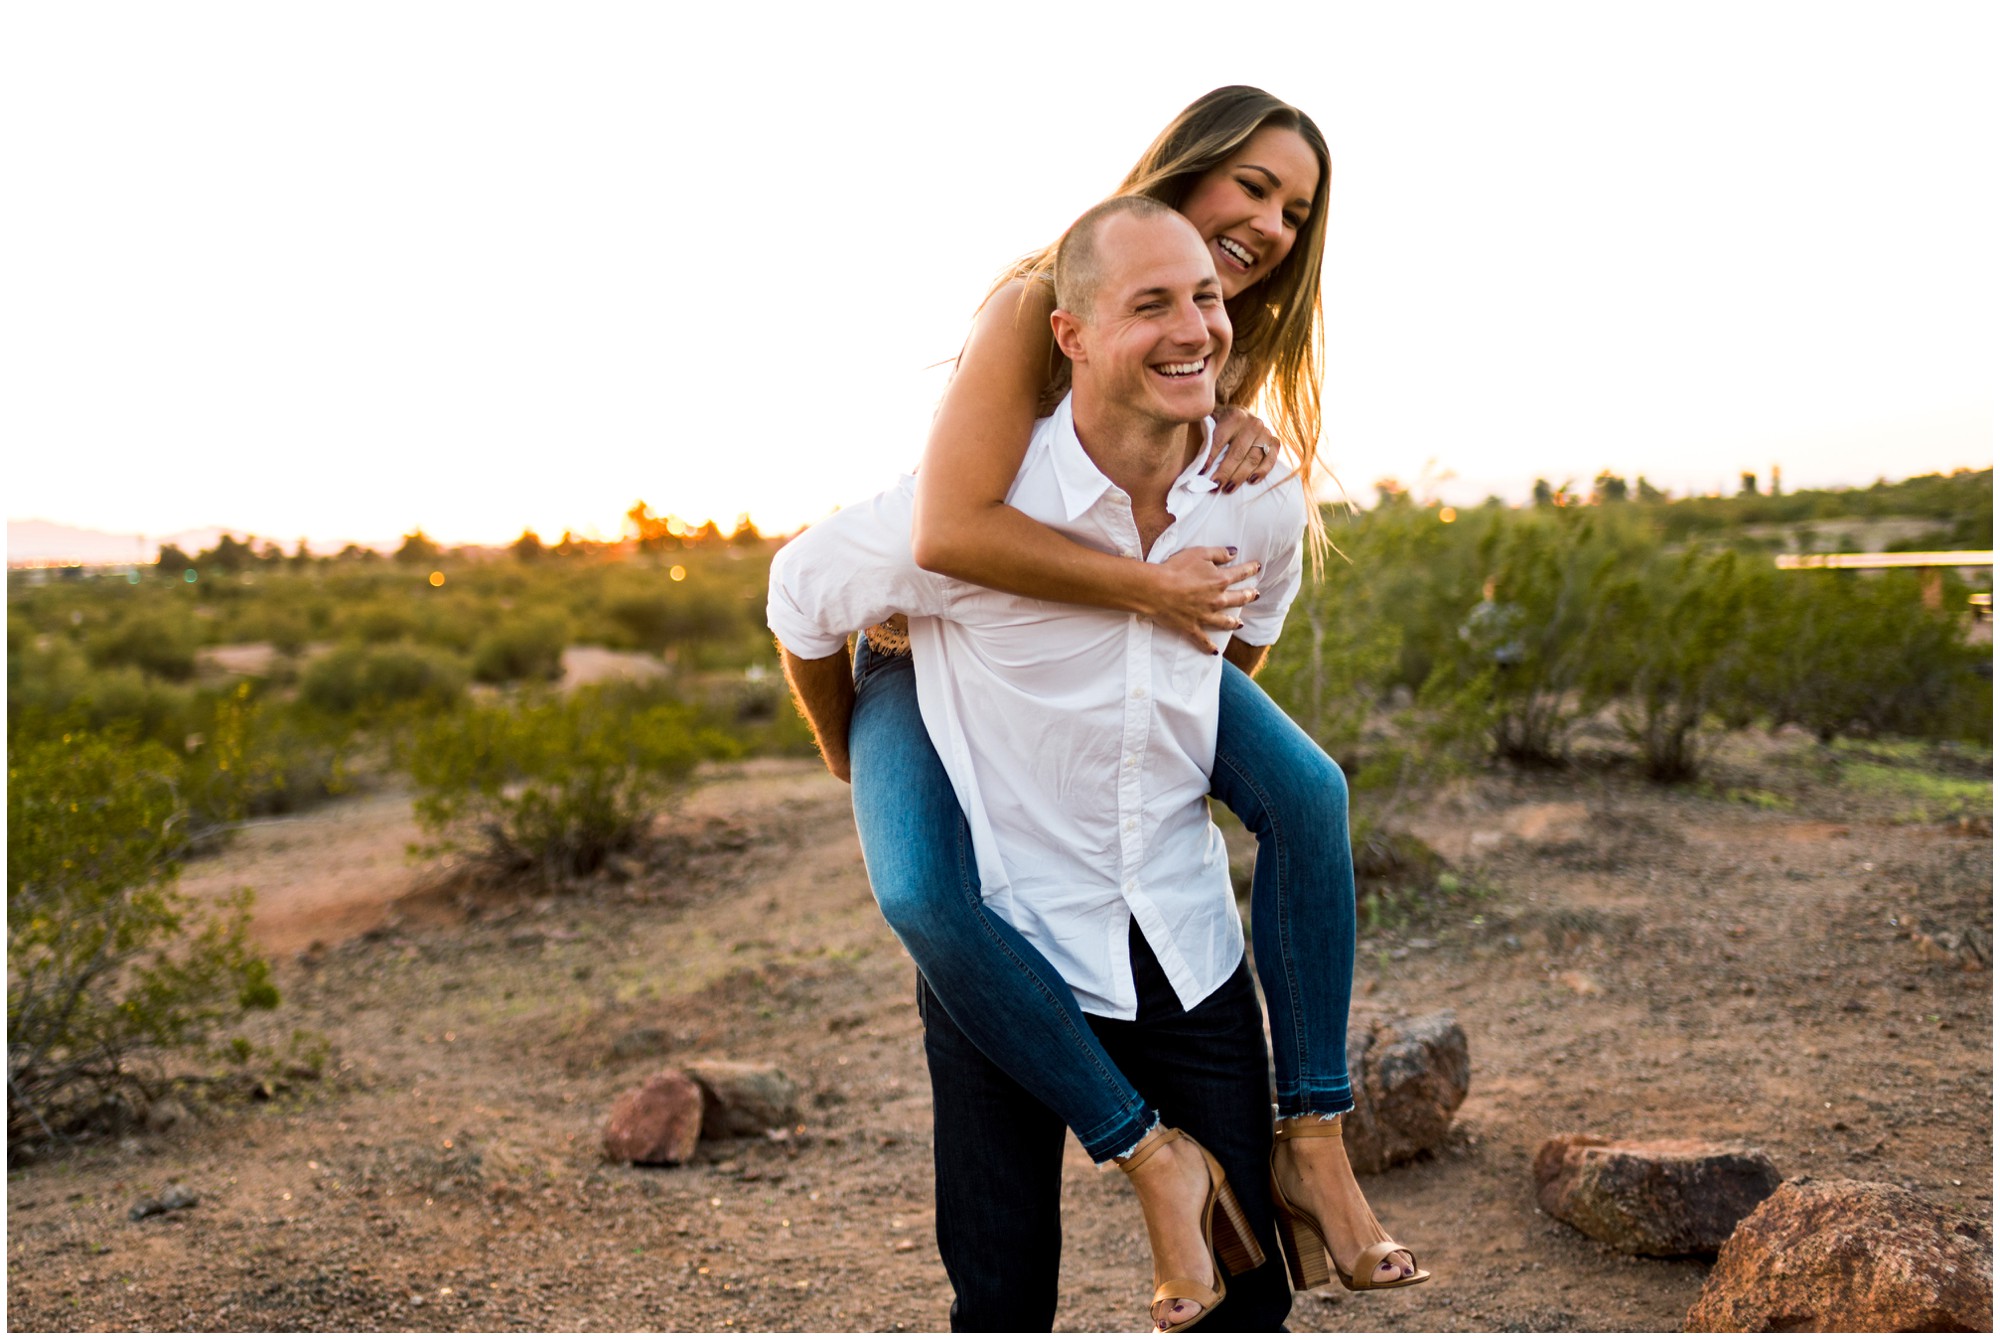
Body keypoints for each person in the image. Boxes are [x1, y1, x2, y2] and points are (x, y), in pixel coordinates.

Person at [786, 87, 1425, 1328]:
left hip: (1146, 629)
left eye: (1293, 209)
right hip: (940, 637)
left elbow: (1228, 629)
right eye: (1249, 185)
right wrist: (852, 756)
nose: (1266, 223)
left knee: (1306, 790)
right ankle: (1143, 1149)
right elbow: (952, 528)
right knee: (924, 888)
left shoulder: (1233, 385)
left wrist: (1159, 682)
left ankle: (1312, 1132)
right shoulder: (1036, 300)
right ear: (1183, 171)